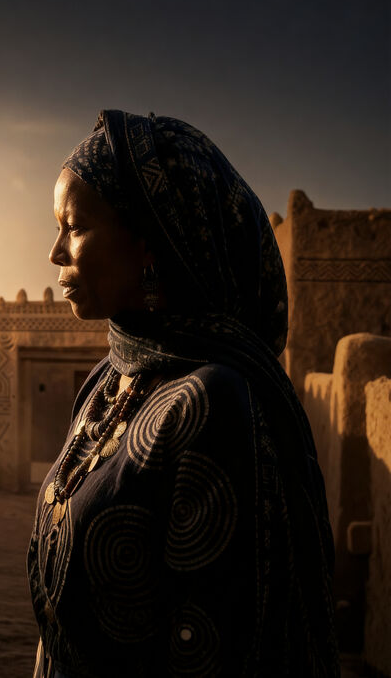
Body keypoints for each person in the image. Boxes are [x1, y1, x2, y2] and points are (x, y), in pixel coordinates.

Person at [28, 110, 338, 676]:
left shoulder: (214, 404)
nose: (55, 253)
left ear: (147, 240)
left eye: (73, 227)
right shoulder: (107, 382)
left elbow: (219, 646)